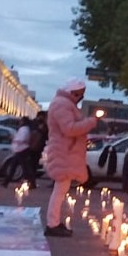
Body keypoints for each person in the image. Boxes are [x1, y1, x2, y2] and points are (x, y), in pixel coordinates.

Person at [43, 78, 96, 236]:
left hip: (64, 151)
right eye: (80, 94)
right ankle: (52, 224)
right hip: (63, 152)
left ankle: (53, 222)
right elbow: (69, 129)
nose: (81, 97)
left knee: (60, 190)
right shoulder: (62, 104)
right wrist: (90, 122)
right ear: (73, 92)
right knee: (59, 191)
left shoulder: (63, 103)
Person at [3, 116, 34, 188]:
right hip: (21, 149)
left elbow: (22, 139)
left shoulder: (24, 129)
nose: (20, 122)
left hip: (22, 149)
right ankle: (6, 182)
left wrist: (13, 139)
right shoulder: (25, 129)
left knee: (24, 167)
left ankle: (32, 182)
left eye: (21, 121)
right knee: (17, 166)